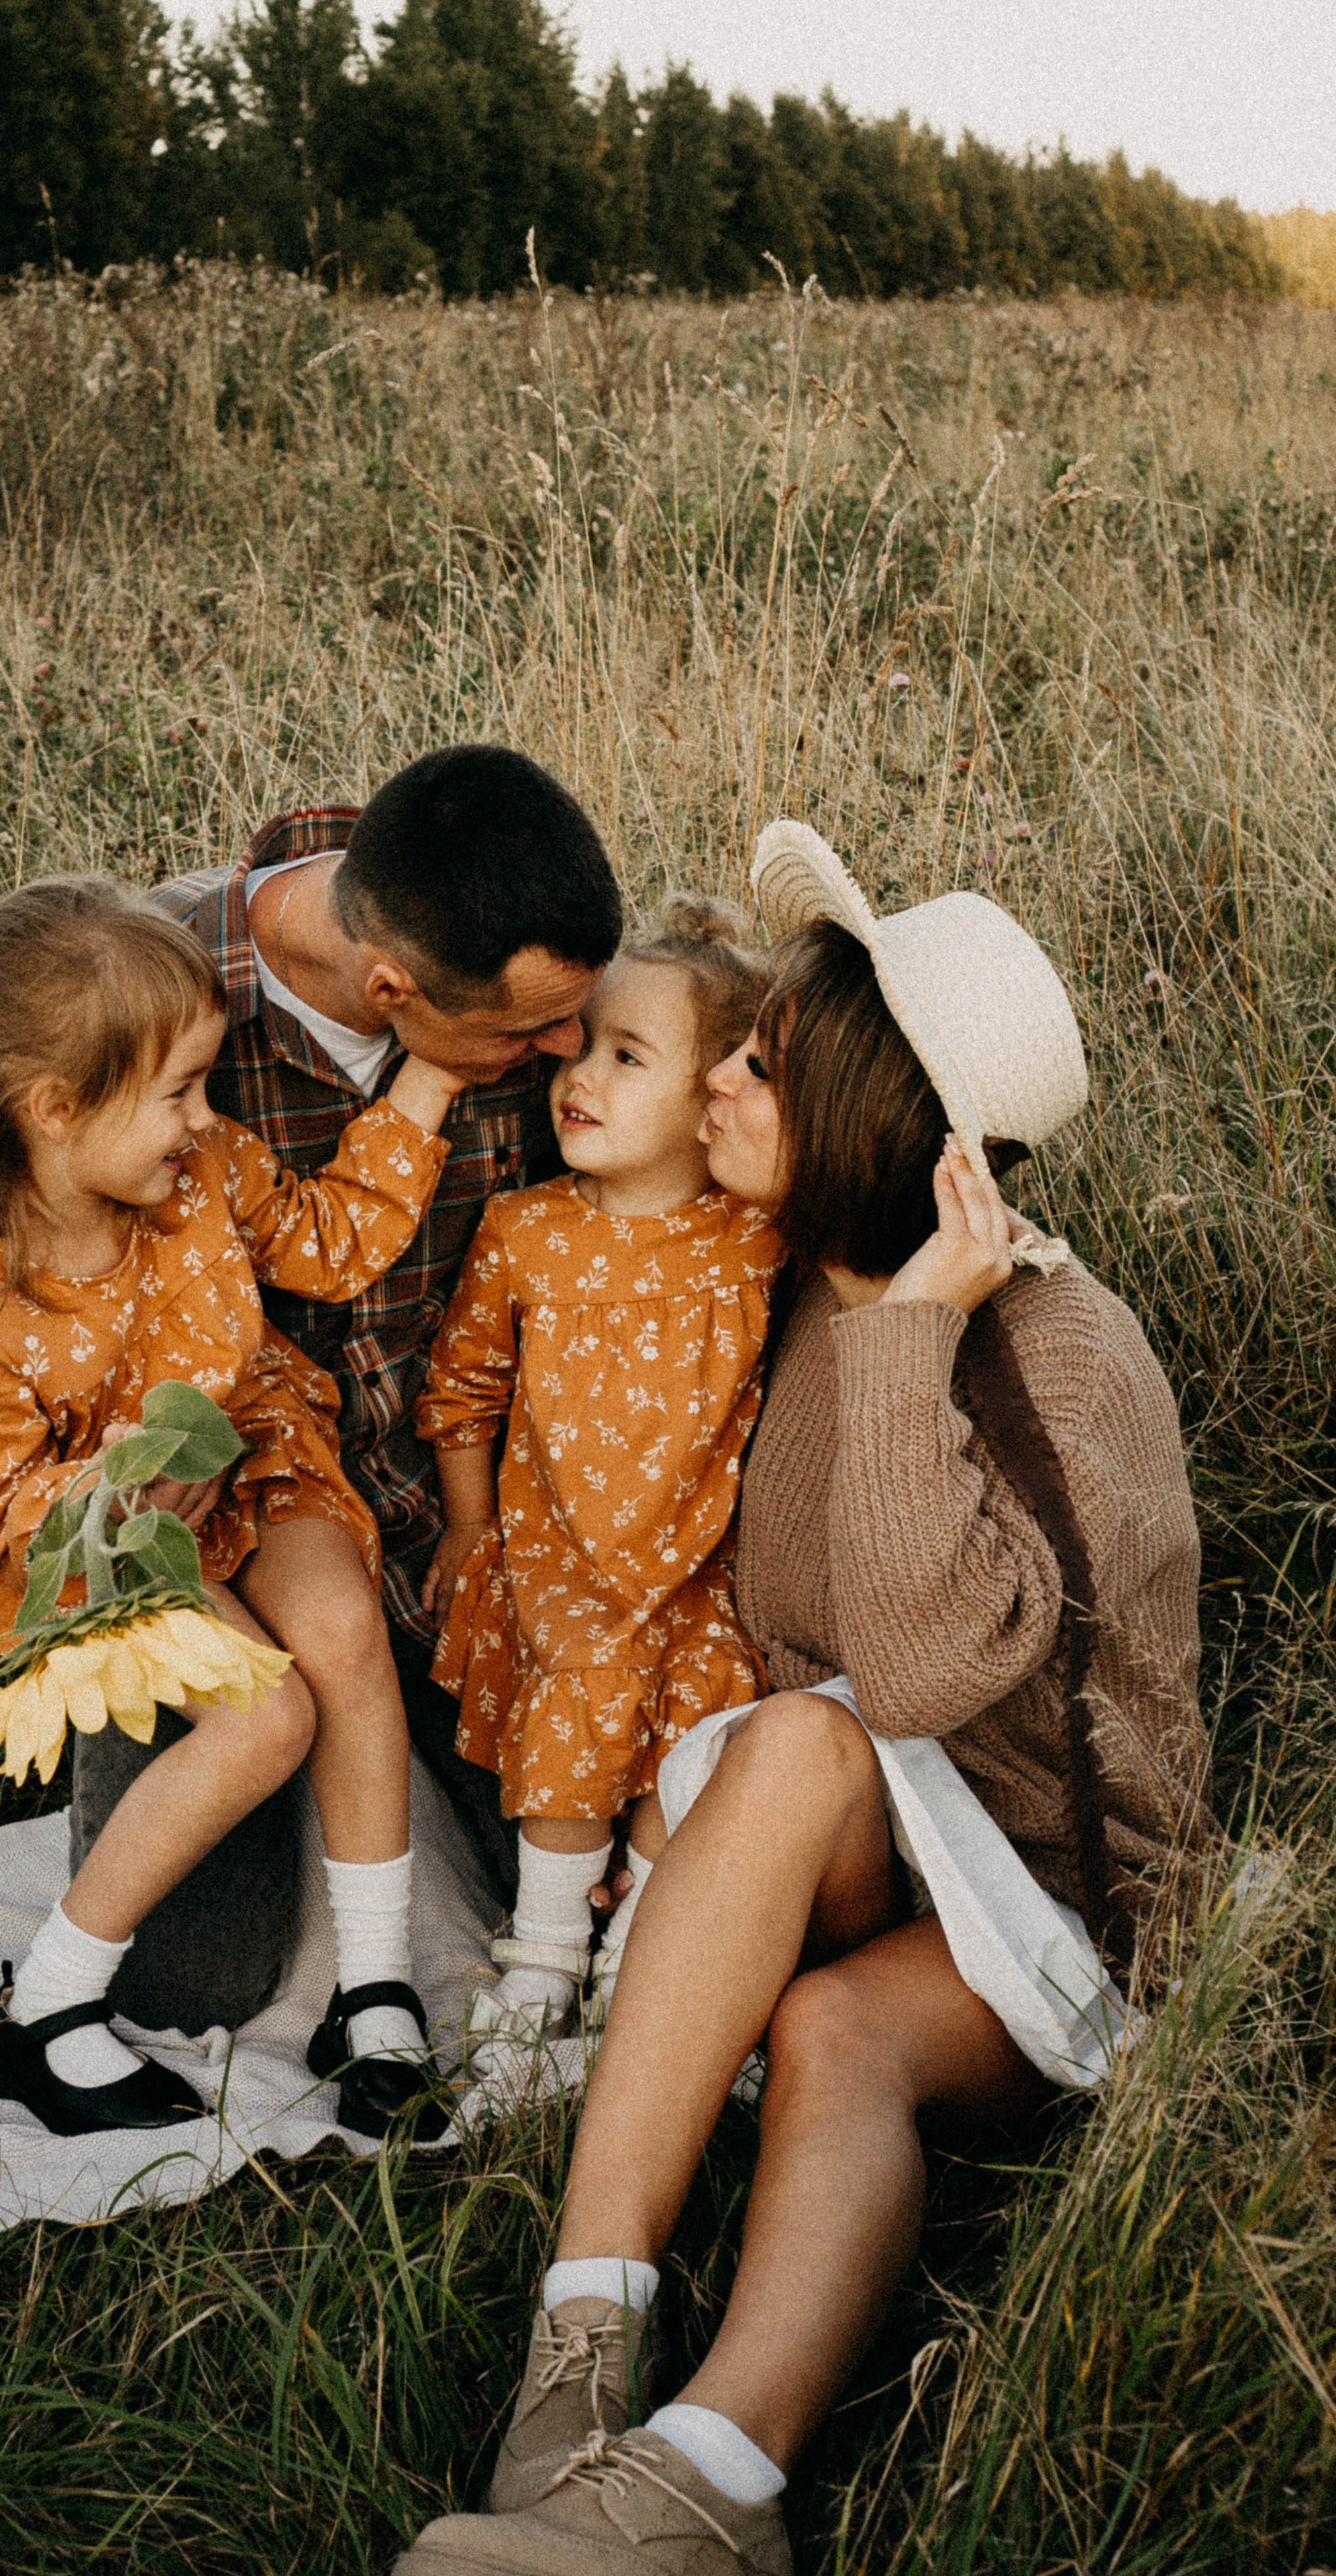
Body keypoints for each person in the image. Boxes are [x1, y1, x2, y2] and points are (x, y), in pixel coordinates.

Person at [399, 822, 1219, 2576]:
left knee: (838, 2022)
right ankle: (579, 2356)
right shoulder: (795, 1279)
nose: (720, 1080)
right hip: (882, 1827)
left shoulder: (1056, 1365)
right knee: (790, 1750)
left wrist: (913, 1334)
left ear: (867, 1116)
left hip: (1069, 1904)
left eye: (763, 1065)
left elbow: (913, 1674)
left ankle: (708, 2483)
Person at [0, 747, 623, 2038]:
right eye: (526, 1035)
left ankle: (377, 1990)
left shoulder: (506, 975)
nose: (566, 1050)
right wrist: (70, 1533)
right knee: (195, 1982)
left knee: (553, 1858)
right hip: (152, 1536)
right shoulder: (134, 998)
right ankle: (71, 1998)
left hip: (384, 1507)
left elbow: (352, 1237)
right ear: (391, 991)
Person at [0, 874, 473, 2137]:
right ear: (54, 1108)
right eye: (179, 1092)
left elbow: (325, 1241)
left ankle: (373, 1993)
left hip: (258, 1451)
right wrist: (123, 1484)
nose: (205, 1118)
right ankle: (49, 2009)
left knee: (344, 1630)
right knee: (266, 1719)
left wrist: (428, 1079)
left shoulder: (203, 1170)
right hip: (117, 1539)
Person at [415, 897, 780, 2040]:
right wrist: (468, 1526)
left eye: (629, 1057)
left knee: (710, 1717)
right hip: (558, 1557)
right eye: (583, 1047)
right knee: (577, 1698)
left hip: (697, 1565)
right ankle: (545, 1952)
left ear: (712, 1098)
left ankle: (641, 1953)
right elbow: (463, 1388)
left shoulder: (754, 1236)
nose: (580, 1076)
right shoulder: (527, 1231)